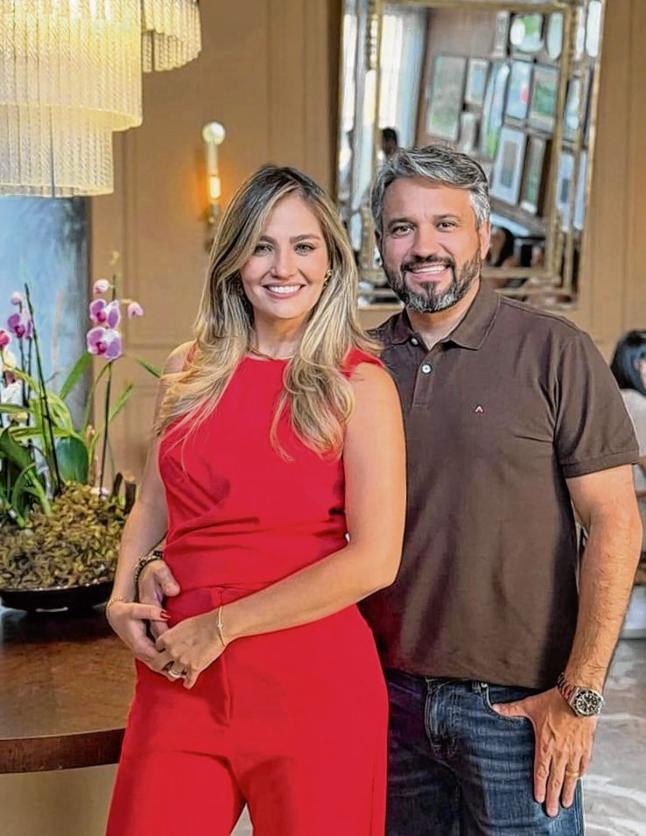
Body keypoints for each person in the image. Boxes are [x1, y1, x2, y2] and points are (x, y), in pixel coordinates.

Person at [105, 164, 406, 836]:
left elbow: (376, 559)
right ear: (235, 259)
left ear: (330, 262)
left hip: (314, 687)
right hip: (178, 678)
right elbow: (153, 504)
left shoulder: (361, 386)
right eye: (263, 246)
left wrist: (220, 627)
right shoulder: (187, 369)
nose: (283, 267)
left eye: (304, 246)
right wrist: (121, 594)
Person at [359, 144, 642, 834]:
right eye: (402, 228)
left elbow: (615, 523)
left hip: (519, 710)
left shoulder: (555, 352)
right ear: (380, 244)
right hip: (383, 701)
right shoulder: (358, 363)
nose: (424, 247)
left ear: (483, 235)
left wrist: (579, 697)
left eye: (445, 224)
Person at [611, 331, 646, 544]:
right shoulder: (639, 406)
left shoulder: (611, 399)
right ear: (637, 364)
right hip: (638, 512)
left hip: (611, 510)